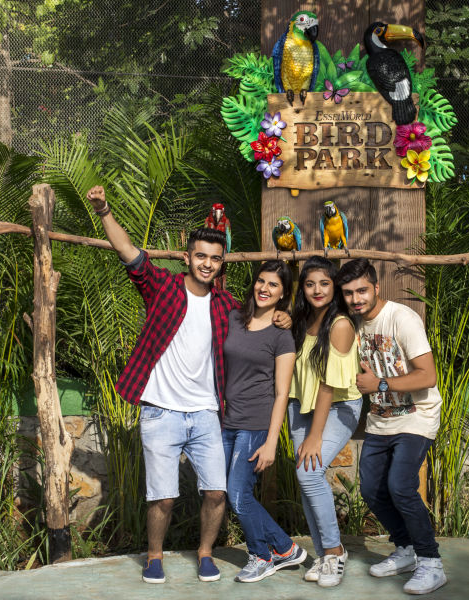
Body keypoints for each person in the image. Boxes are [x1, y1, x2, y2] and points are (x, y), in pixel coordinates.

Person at [84, 186, 289, 585]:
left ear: (220, 262)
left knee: (217, 492)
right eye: (201, 256)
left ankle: (206, 553)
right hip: (160, 412)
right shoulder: (161, 286)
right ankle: (154, 556)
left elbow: (261, 316)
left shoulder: (227, 305)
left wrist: (283, 317)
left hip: (207, 414)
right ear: (187, 257)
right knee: (162, 497)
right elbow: (128, 250)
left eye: (215, 258)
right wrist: (104, 210)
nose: (207, 264)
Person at [337, 258, 447, 595]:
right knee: (371, 489)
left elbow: (428, 376)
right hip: (381, 420)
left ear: (376, 288)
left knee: (400, 486)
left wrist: (380, 385)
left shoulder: (402, 318)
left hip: (417, 415)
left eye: (361, 291)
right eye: (349, 293)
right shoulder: (353, 324)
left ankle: (431, 562)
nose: (356, 299)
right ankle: (406, 548)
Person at [221, 260, 307, 582]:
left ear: (283, 294)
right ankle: (284, 548)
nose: (264, 288)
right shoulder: (234, 318)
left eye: (273, 285)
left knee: (239, 494)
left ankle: (262, 556)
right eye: (261, 281)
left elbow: (282, 392)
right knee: (233, 492)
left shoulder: (282, 335)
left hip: (256, 424)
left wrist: (272, 441)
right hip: (228, 421)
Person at [288, 257, 362, 587]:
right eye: (310, 283)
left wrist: (316, 435)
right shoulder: (301, 319)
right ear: (302, 288)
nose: (317, 290)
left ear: (334, 286)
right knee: (306, 477)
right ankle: (323, 554)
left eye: (324, 283)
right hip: (300, 405)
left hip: (337, 407)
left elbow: (328, 386)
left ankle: (335, 551)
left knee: (308, 469)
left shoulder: (340, 325)